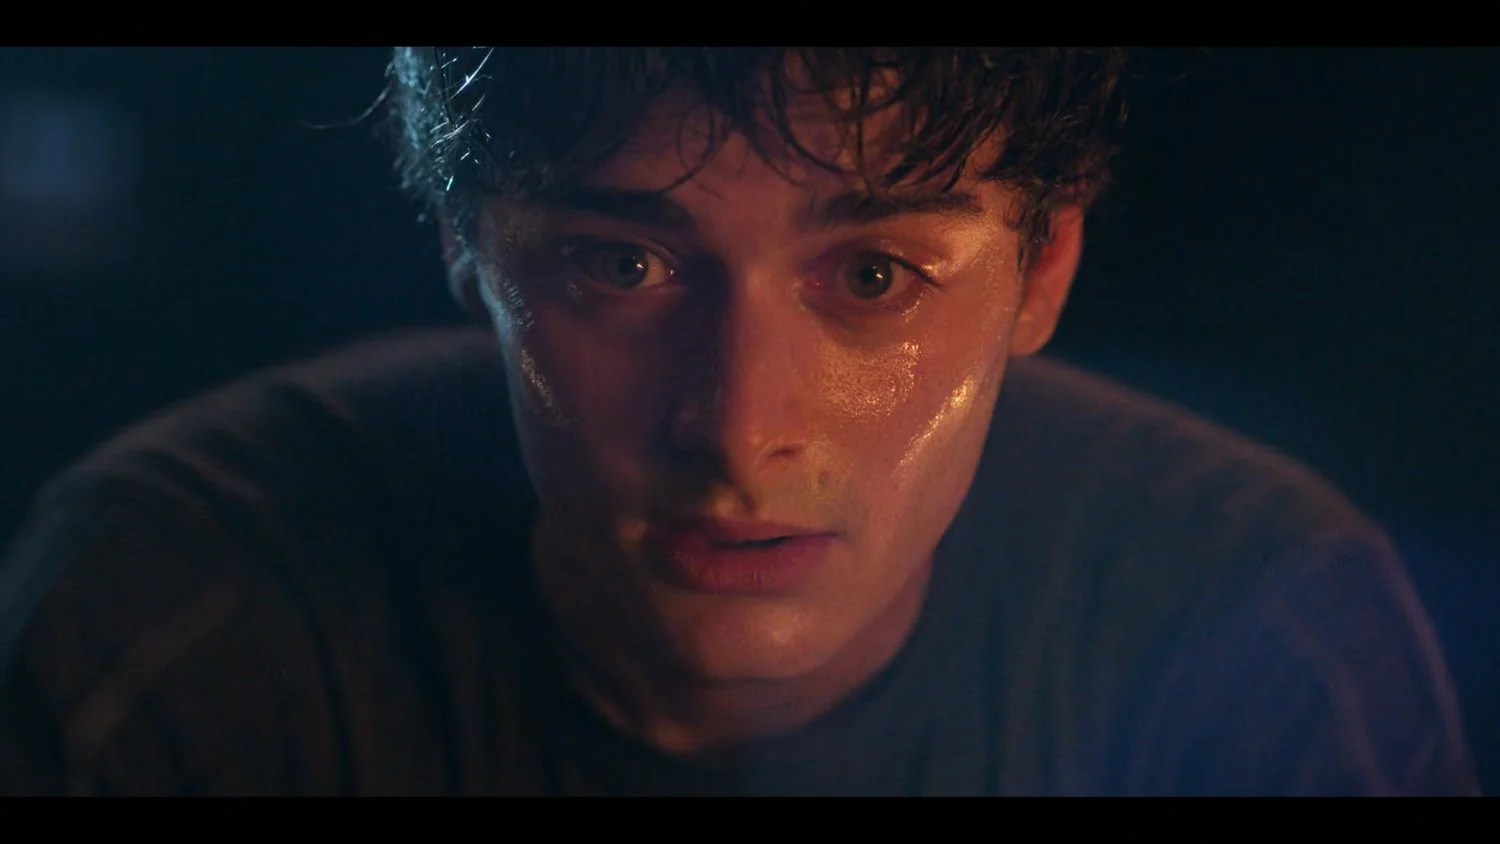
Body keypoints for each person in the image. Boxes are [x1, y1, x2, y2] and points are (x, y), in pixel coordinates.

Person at [0, 47, 1480, 796]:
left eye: (875, 277)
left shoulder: (1254, 641)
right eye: (619, 265)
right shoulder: (183, 619)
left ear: (1043, 271)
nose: (737, 427)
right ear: (468, 251)